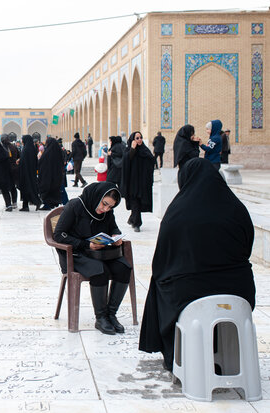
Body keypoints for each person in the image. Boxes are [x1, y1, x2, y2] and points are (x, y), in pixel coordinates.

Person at [139, 158, 256, 371]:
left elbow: (162, 261)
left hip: (190, 295)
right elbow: (246, 248)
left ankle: (174, 355)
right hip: (239, 292)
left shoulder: (177, 214)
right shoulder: (237, 209)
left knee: (160, 283)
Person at [54, 182, 131, 335]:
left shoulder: (107, 213)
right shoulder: (75, 206)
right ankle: (101, 317)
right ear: (98, 197)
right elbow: (59, 234)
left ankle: (111, 314)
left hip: (100, 253)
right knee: (99, 270)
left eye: (110, 207)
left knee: (123, 268)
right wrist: (85, 245)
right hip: (77, 255)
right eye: (105, 204)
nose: (106, 209)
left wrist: (116, 235)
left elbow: (113, 227)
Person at [120, 132, 154, 233]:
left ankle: (132, 219)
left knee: (138, 201)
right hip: (132, 182)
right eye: (137, 138)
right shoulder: (128, 150)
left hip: (142, 182)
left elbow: (152, 161)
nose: (139, 140)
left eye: (140, 138)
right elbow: (126, 161)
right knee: (135, 201)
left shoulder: (144, 150)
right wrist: (133, 149)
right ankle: (137, 223)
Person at [38, 137, 65, 210]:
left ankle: (47, 205)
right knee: (55, 190)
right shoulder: (58, 151)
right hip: (56, 176)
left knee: (47, 190)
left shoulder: (47, 153)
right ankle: (53, 204)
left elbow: (42, 163)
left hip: (47, 176)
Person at [18, 134, 41, 211]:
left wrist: (20, 162)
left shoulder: (27, 149)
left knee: (28, 188)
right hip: (29, 172)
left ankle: (37, 202)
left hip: (26, 173)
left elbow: (25, 161)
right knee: (26, 189)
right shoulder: (31, 148)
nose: (22, 141)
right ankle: (25, 206)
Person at [2, 134, 20, 209]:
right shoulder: (14, 147)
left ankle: (8, 203)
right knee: (13, 187)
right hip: (14, 169)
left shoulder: (2, 147)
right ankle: (14, 202)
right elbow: (19, 156)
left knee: (5, 187)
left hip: (5, 169)